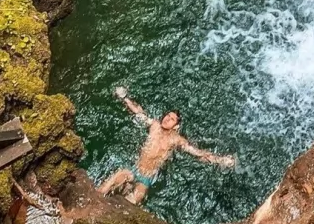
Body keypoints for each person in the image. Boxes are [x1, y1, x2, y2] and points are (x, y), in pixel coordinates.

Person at [97, 87, 236, 205]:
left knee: (132, 202)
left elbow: (197, 153)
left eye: (172, 119)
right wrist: (125, 98)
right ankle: (94, 198)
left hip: (146, 179)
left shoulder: (176, 140)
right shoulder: (155, 125)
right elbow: (138, 112)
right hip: (135, 169)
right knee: (116, 178)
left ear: (176, 126)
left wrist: (220, 160)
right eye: (167, 116)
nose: (167, 119)